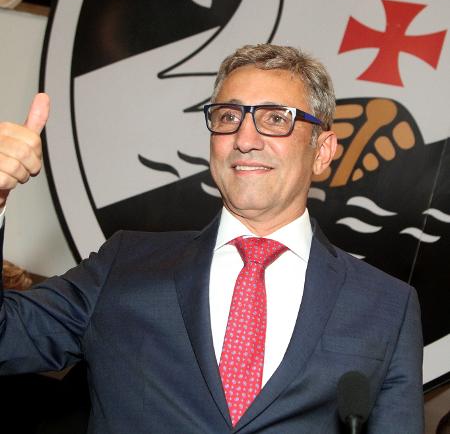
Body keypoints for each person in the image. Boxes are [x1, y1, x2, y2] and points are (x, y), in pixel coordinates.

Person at [0, 44, 423, 433]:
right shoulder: (123, 265)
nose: (245, 139)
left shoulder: (387, 307)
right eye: (228, 117)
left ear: (323, 151)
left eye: (275, 119)